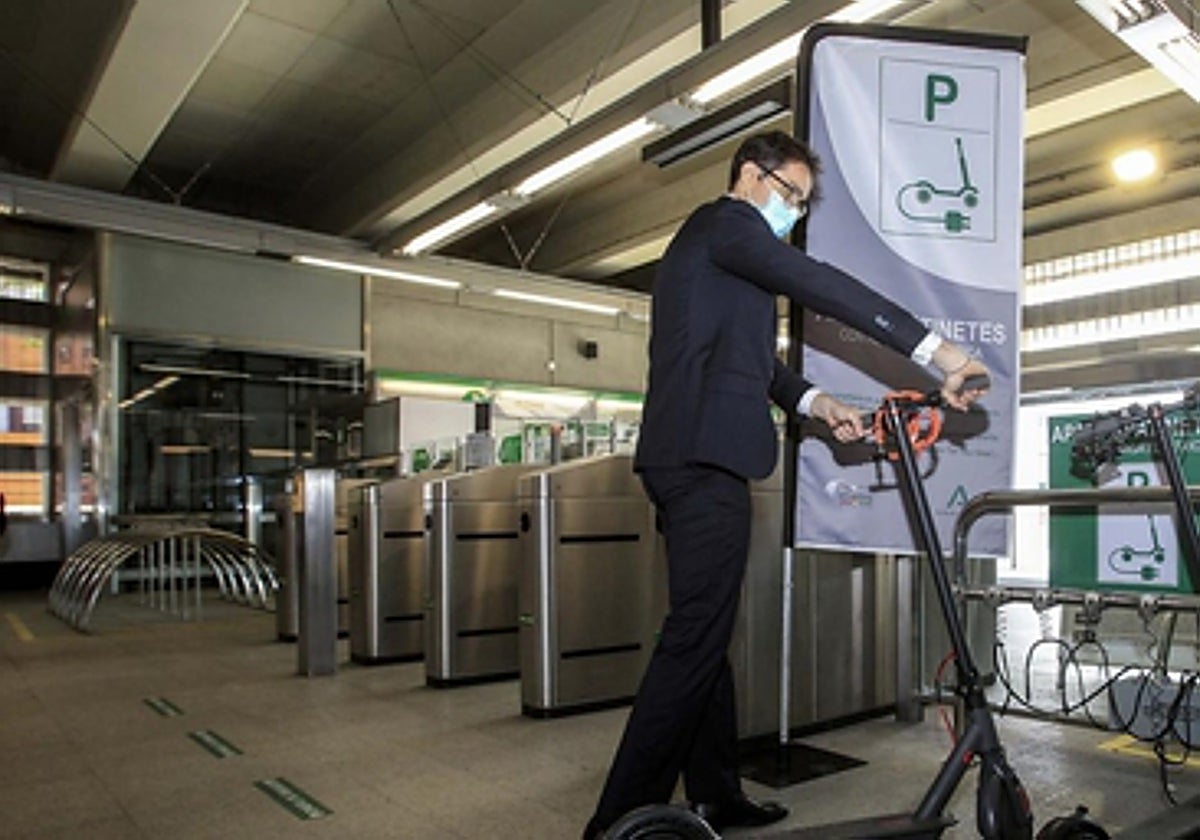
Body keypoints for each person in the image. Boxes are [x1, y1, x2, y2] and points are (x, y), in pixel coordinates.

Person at [582, 130, 989, 839]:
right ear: (750, 175)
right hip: (700, 462)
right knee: (692, 640)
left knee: (706, 631)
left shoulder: (722, 262)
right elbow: (823, 285)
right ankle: (622, 823)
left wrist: (816, 404)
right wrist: (937, 351)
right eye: (790, 196)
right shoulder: (723, 227)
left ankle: (715, 796)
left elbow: (756, 365)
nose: (793, 214)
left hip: (697, 456)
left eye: (802, 205)